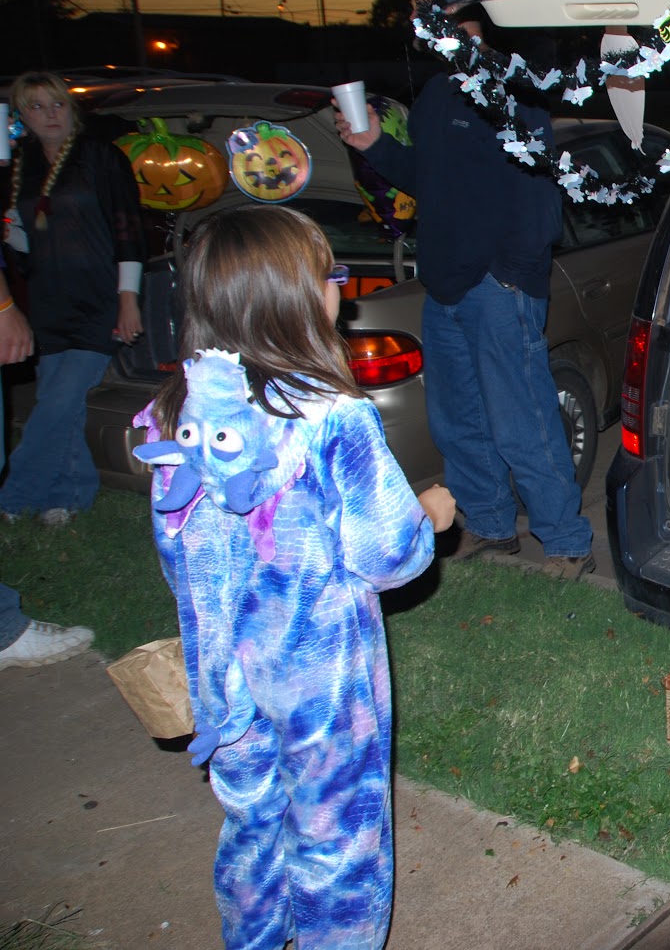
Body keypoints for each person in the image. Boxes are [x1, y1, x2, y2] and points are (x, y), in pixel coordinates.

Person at [135, 204, 456, 949]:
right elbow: (389, 554)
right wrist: (429, 513)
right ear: (296, 298)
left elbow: (173, 549)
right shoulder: (330, 416)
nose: (338, 287)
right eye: (329, 274)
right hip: (320, 677)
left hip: (224, 674)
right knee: (336, 828)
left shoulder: (168, 418)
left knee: (252, 816)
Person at [334, 0, 595, 580]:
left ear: (454, 7)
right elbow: (429, 181)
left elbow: (539, 198)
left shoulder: (509, 88)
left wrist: (511, 275)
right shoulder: (438, 92)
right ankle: (489, 525)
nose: (412, 16)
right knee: (458, 423)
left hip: (497, 287)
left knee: (522, 420)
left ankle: (564, 540)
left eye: (421, 3)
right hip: (445, 286)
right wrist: (376, 147)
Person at [0, 71, 144, 525]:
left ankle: (14, 494)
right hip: (46, 300)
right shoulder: (21, 167)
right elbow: (29, 246)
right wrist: (13, 230)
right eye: (36, 107)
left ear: (71, 109)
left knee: (58, 402)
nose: (49, 115)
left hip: (98, 297)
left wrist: (128, 297)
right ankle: (67, 496)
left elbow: (128, 228)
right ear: (21, 118)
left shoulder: (101, 157)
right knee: (63, 401)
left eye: (56, 104)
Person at [0, 259, 93, 668]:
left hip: (90, 312)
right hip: (50, 313)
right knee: (56, 409)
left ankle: (43, 497)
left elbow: (122, 237)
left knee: (61, 407)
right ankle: (35, 497)